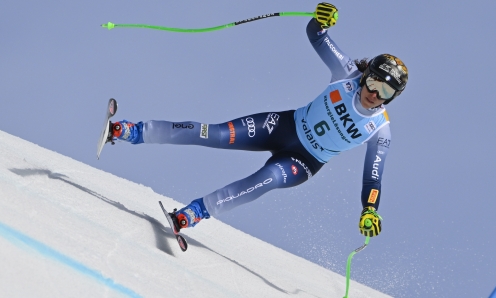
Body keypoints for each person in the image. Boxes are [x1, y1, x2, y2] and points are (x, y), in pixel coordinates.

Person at [107, 3, 408, 238]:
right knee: (216, 134)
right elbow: (316, 35)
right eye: (373, 83)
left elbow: (373, 177)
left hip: (303, 161)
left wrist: (370, 210)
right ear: (366, 74)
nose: (374, 93)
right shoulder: (346, 74)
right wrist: (322, 19)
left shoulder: (380, 130)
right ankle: (131, 131)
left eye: (385, 91)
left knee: (265, 181)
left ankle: (195, 212)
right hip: (282, 126)